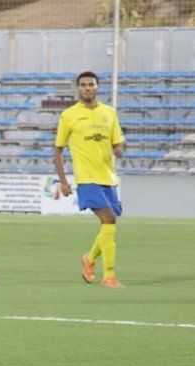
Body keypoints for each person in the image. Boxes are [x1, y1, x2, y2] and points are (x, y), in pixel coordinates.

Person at [54, 71, 126, 288]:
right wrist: (64, 181)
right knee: (109, 220)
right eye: (83, 85)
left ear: (97, 87)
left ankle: (90, 259)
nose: (87, 88)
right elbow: (57, 152)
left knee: (109, 223)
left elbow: (117, 142)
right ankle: (109, 276)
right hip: (86, 179)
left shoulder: (109, 113)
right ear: (78, 88)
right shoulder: (69, 116)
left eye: (91, 84)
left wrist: (118, 149)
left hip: (108, 178)